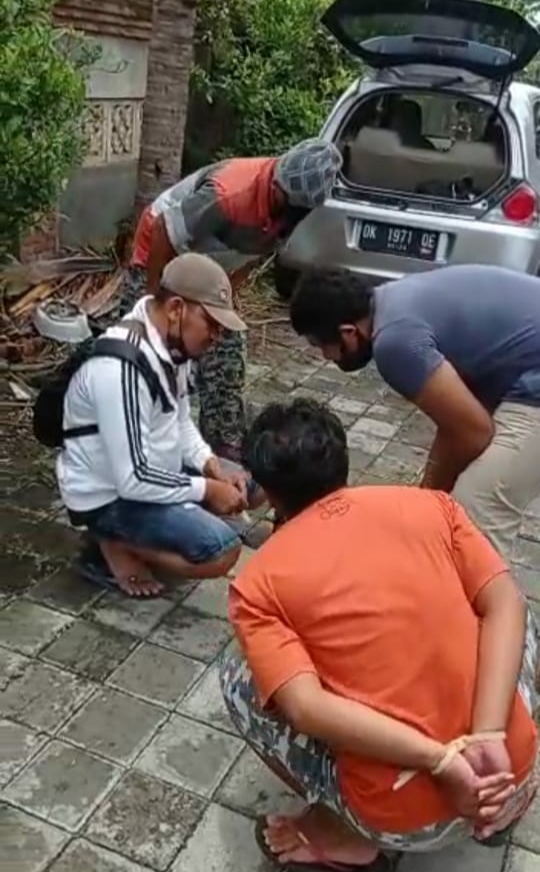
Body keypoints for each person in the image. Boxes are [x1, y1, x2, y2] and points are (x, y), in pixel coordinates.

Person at [219, 399, 538, 870]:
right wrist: (487, 735)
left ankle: (344, 835)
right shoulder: (433, 506)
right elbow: (506, 604)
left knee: (238, 675)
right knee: (509, 607)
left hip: (405, 817)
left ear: (268, 493)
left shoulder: (257, 583)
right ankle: (510, 769)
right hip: (508, 769)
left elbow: (306, 708)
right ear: (342, 460)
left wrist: (441, 760)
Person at [289, 265, 540, 562]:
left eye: (321, 345)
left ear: (348, 332)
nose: (325, 357)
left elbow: (473, 432)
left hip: (532, 379)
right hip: (524, 368)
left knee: (477, 507)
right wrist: (430, 496)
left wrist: (426, 500)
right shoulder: (393, 299)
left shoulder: (394, 342)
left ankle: (484, 594)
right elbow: (458, 422)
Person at [57, 253, 266, 598]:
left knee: (253, 484)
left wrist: (210, 466)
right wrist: (208, 490)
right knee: (221, 551)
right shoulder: (120, 369)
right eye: (211, 323)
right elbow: (134, 478)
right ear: (176, 309)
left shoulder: (172, 345)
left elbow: (179, 421)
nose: (216, 336)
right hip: (110, 494)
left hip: (156, 466)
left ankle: (172, 520)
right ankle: (111, 544)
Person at [121, 139, 342, 461]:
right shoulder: (229, 194)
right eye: (292, 206)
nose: (296, 215)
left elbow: (252, 255)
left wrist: (221, 303)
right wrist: (155, 301)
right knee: (145, 349)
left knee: (227, 351)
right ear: (277, 186)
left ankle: (222, 445)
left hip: (210, 265)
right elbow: (163, 230)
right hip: (161, 255)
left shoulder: (293, 208)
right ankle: (129, 435)